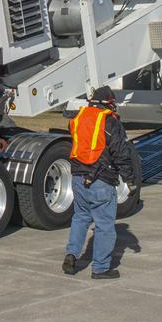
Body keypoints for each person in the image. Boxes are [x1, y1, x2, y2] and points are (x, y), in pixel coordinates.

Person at [62, 85, 137, 278]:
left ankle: (71, 255)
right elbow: (121, 154)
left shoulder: (77, 119)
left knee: (80, 218)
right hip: (101, 180)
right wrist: (131, 181)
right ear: (109, 104)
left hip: (78, 179)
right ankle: (101, 268)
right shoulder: (110, 123)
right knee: (104, 225)